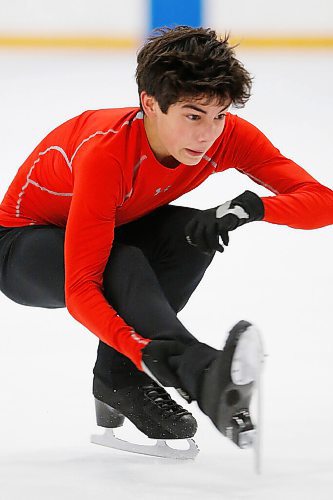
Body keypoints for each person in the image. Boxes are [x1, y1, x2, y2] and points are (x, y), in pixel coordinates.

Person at [0, 26, 332, 455]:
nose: (208, 134)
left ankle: (119, 381)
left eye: (220, 115)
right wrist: (144, 350)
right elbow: (82, 288)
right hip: (20, 247)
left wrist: (256, 208)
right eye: (193, 115)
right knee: (122, 262)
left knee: (194, 234)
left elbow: (322, 203)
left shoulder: (227, 136)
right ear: (150, 104)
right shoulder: (106, 153)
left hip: (111, 224)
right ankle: (193, 368)